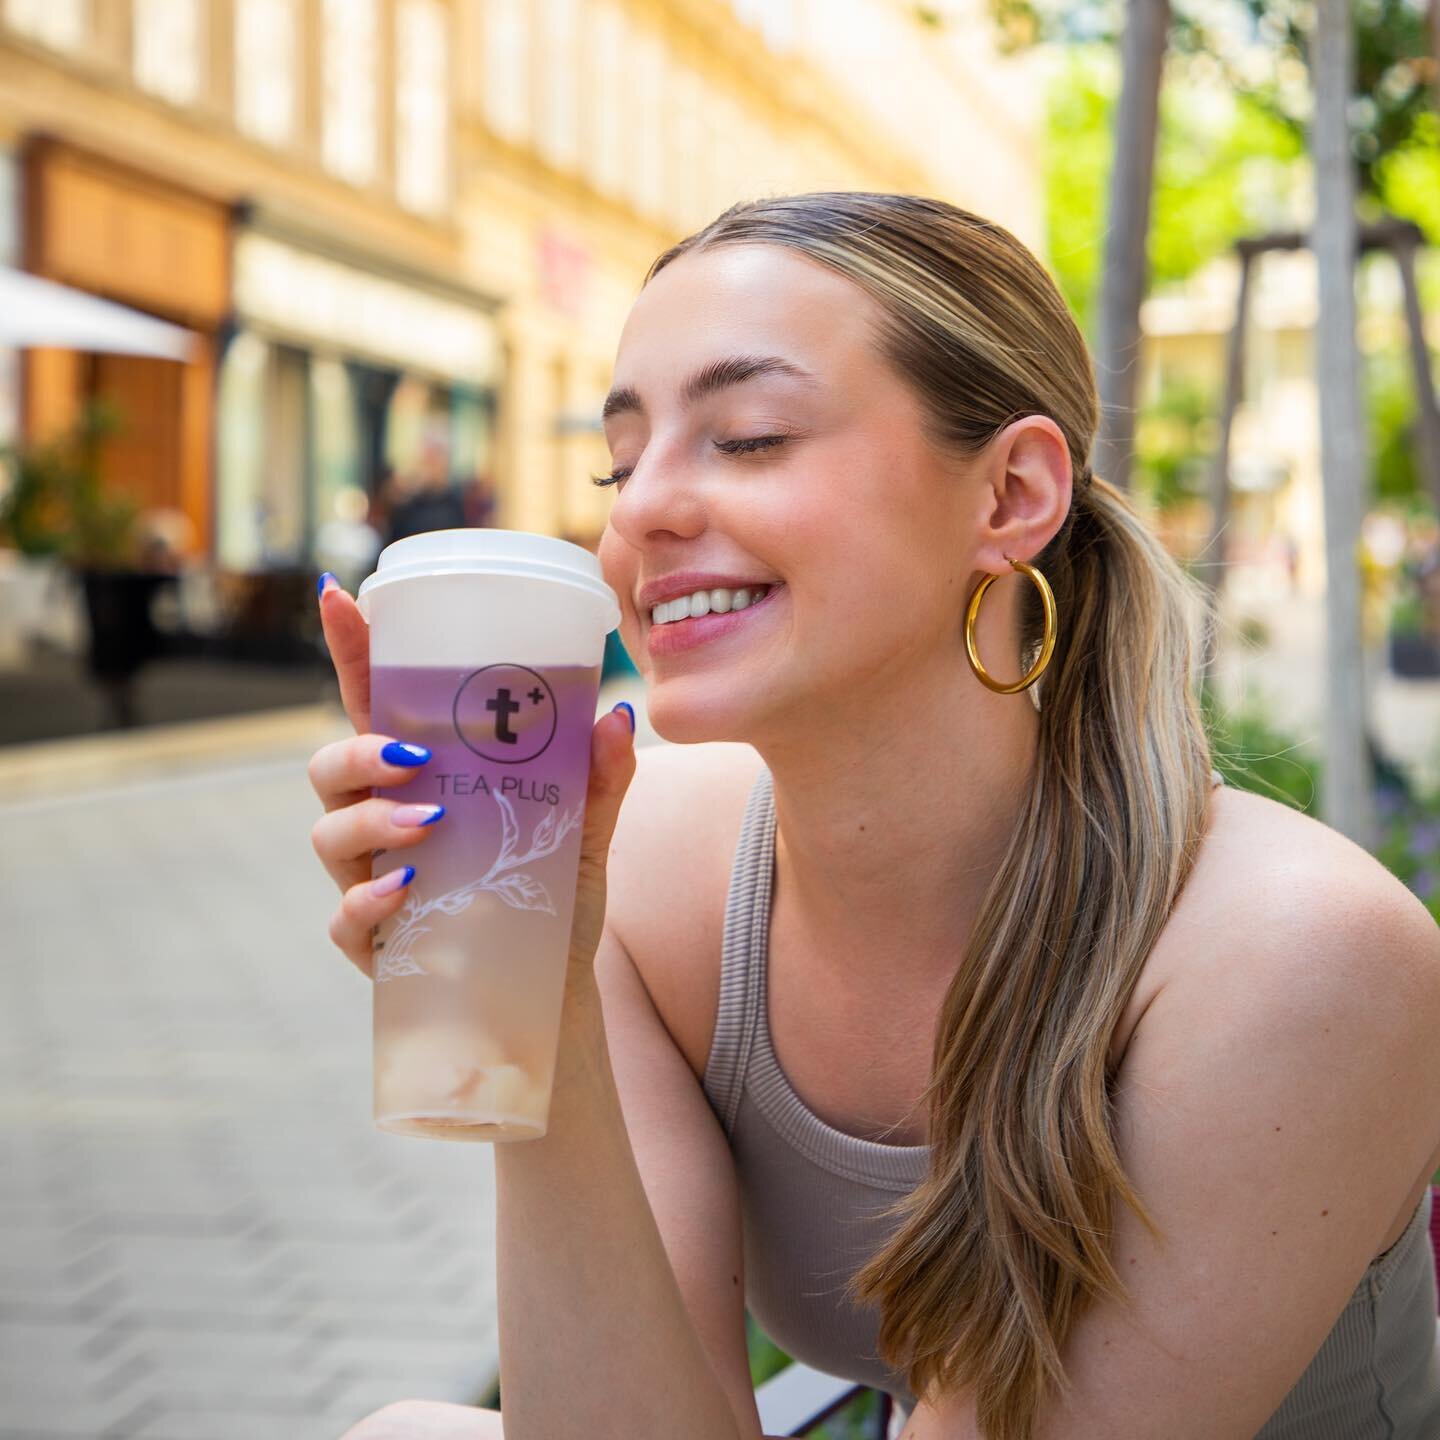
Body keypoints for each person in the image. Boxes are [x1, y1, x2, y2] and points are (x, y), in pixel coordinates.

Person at [309, 194, 1440, 1440]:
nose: (636, 516)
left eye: (748, 437)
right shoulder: (640, 870)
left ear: (1010, 493)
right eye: (620, 464)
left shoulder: (1300, 955)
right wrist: (535, 991)